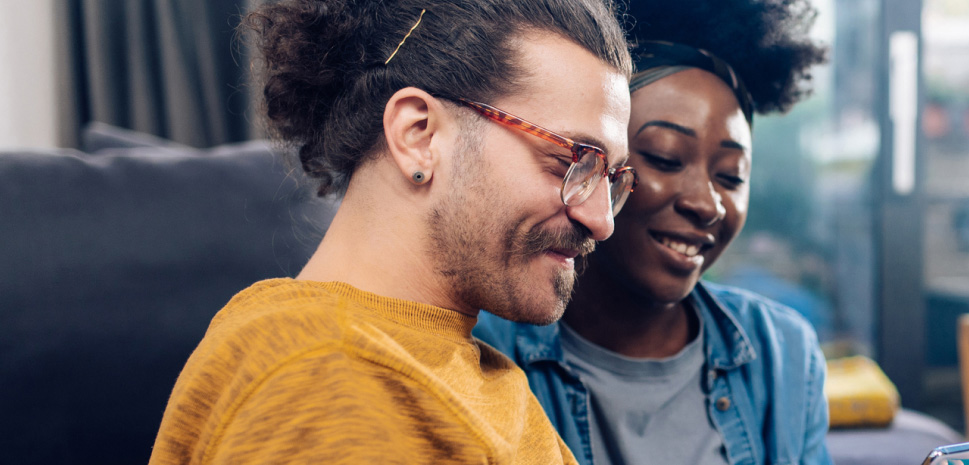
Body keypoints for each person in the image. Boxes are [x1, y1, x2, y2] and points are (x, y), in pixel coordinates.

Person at [149, 0, 633, 463]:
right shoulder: (330, 384)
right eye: (570, 162)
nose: (602, 221)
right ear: (418, 136)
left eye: (610, 179)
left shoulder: (461, 365)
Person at [473, 0, 830, 464]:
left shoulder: (783, 353)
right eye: (664, 158)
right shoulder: (484, 350)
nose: (707, 203)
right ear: (592, 163)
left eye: (731, 175)